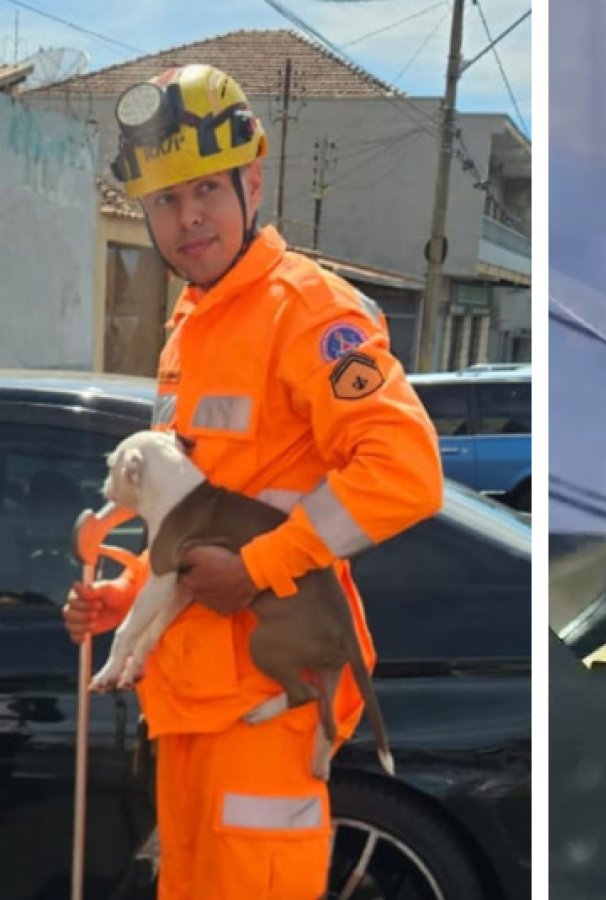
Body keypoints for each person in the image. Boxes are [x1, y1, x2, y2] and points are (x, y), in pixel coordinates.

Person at [61, 63, 443, 900]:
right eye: (165, 199)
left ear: (253, 180)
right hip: (190, 705)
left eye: (205, 189)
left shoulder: (306, 311)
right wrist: (127, 597)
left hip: (268, 709)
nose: (187, 216)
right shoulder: (191, 327)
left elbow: (406, 471)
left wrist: (263, 566)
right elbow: (193, 512)